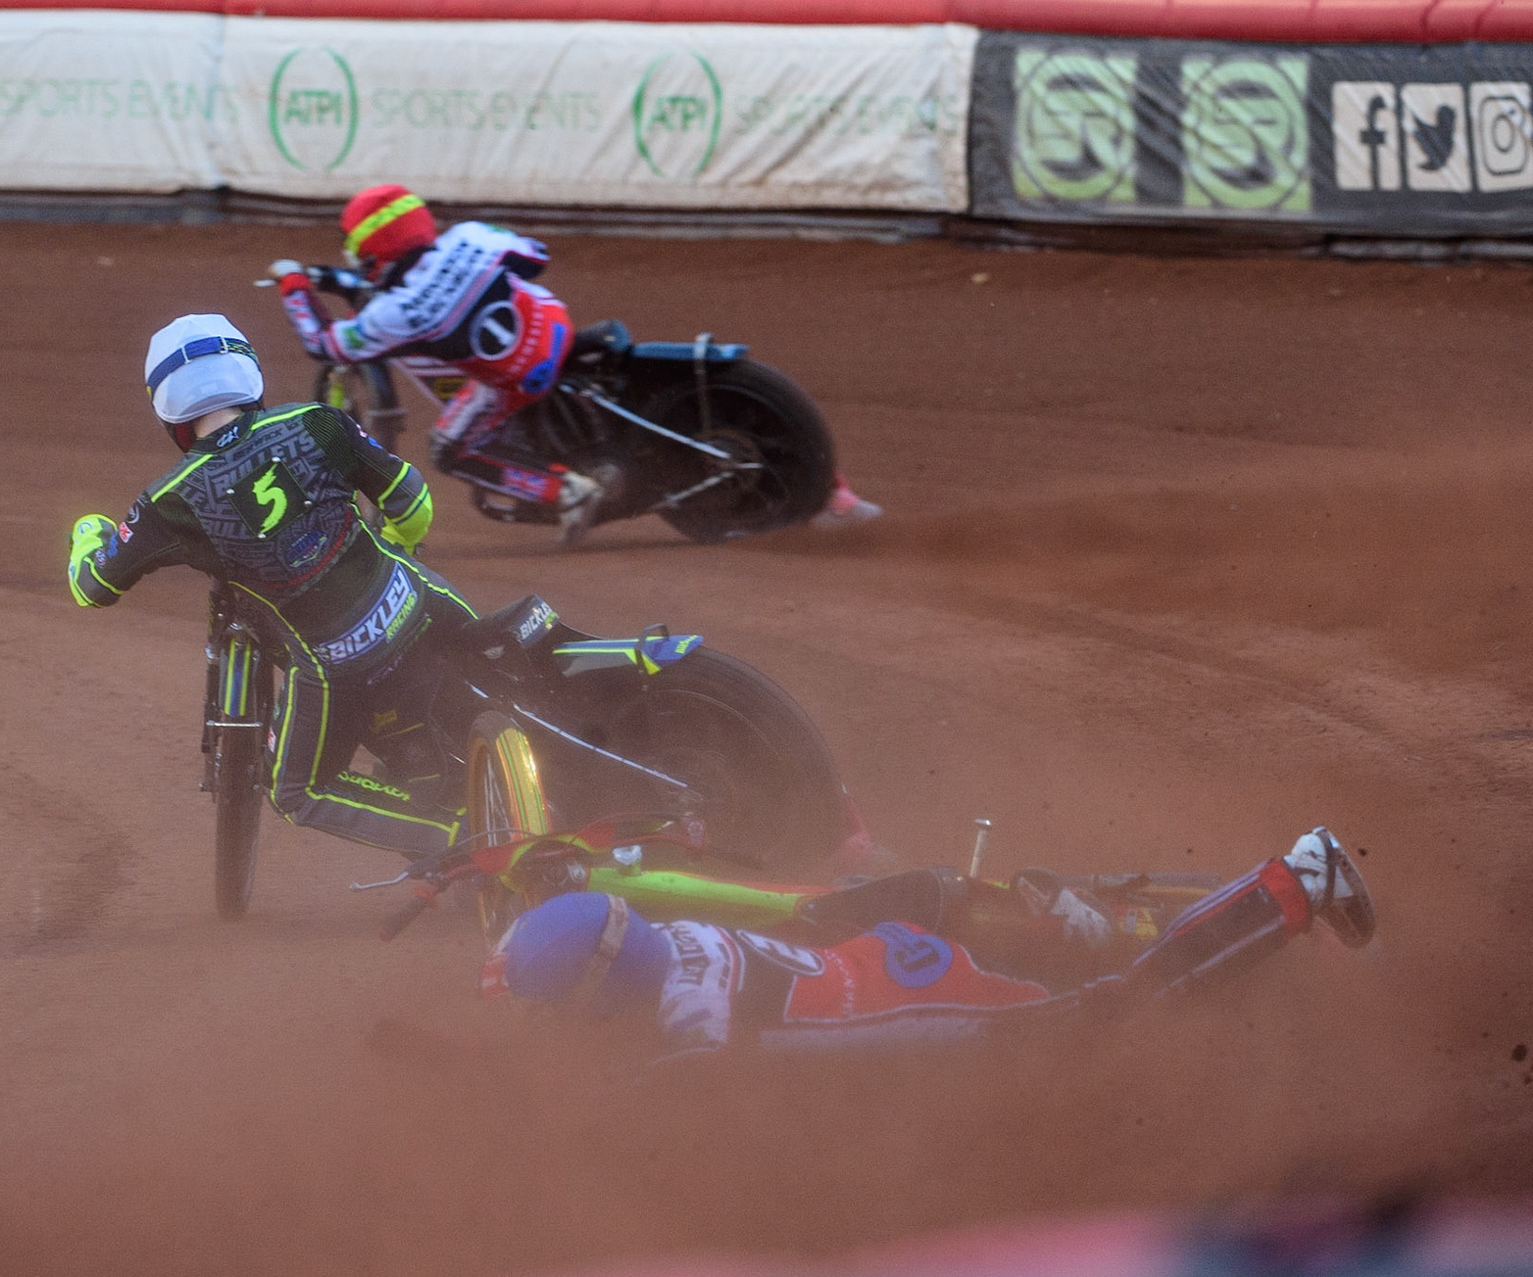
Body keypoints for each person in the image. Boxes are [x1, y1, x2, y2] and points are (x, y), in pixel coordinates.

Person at [67, 313, 474, 858]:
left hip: (336, 662)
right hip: (421, 600)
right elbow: (412, 501)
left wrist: (87, 532)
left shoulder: (170, 501)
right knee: (498, 662)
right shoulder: (316, 421)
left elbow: (92, 587)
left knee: (297, 792)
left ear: (170, 414)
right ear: (249, 375)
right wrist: (400, 548)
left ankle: (454, 838)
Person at [481, 827, 1376, 1054]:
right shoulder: (669, 938)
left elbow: (672, 1093)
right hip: (892, 955)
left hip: (930, 998)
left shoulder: (690, 1006)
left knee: (1118, 1009)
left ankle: (1295, 882)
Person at [267, 185, 610, 543]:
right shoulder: (471, 235)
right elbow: (536, 258)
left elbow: (324, 345)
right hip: (556, 325)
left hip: (518, 381)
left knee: (447, 449)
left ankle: (567, 491)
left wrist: (293, 286)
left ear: (374, 250)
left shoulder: (398, 313)